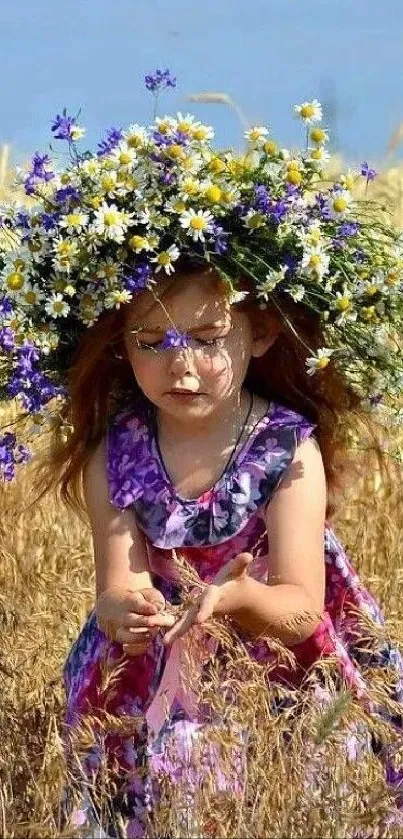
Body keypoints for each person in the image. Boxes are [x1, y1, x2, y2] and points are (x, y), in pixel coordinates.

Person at [1, 73, 403, 837]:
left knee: (305, 785)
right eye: (152, 342)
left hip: (275, 660)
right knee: (157, 796)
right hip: (152, 667)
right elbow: (113, 589)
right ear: (119, 348)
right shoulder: (115, 455)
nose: (180, 366)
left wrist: (231, 601)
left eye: (208, 339)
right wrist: (128, 612)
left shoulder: (286, 448)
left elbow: (300, 607)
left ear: (257, 335)